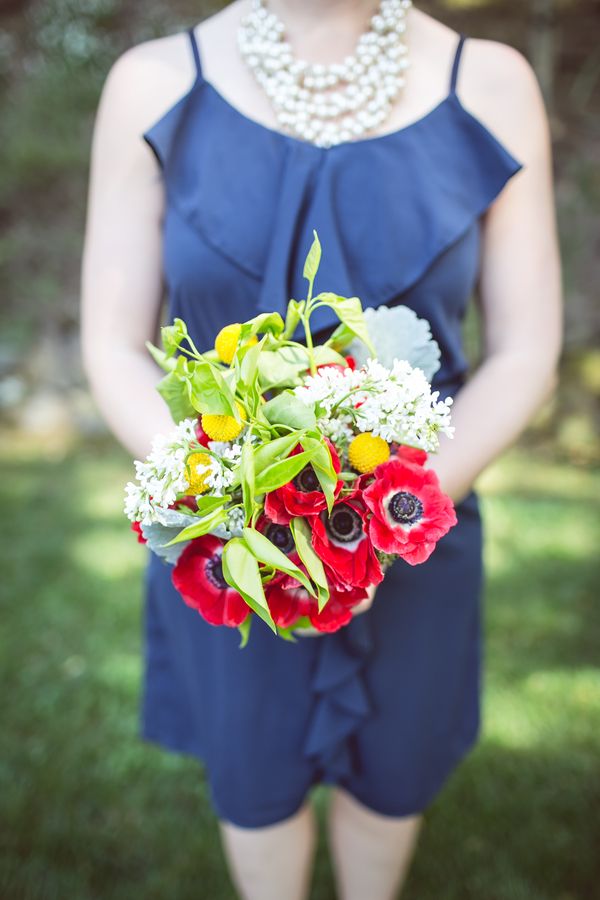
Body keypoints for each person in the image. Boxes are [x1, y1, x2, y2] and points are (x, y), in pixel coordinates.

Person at [80, 1, 562, 898]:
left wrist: (377, 512)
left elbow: (528, 348)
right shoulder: (152, 83)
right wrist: (232, 501)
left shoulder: (490, 83)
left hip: (419, 519)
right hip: (231, 545)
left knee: (393, 781)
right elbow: (111, 343)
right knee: (255, 785)